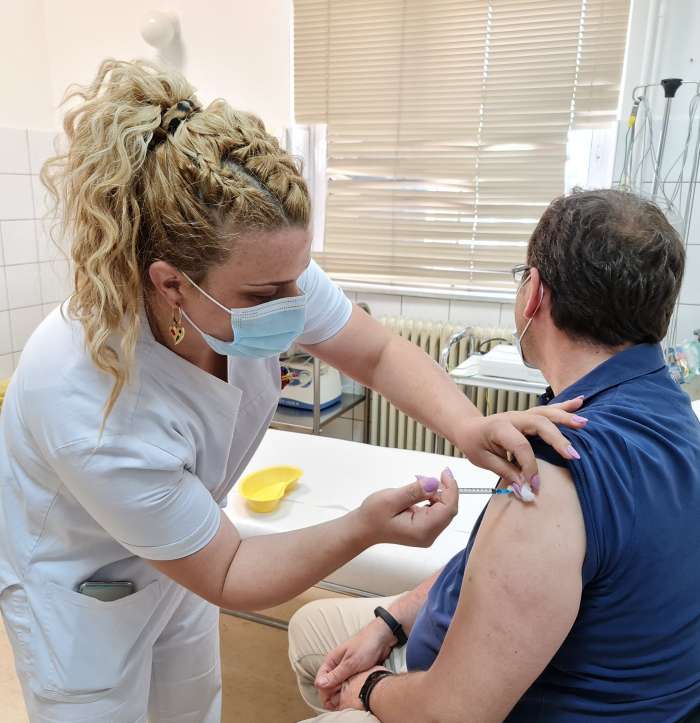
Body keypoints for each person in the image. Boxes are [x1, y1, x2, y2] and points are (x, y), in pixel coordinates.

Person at [0, 59, 583, 723]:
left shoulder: (265, 268)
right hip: (84, 593)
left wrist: (469, 427)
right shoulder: (87, 395)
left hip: (185, 557)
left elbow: (378, 352)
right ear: (170, 284)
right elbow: (229, 569)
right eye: (265, 295)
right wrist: (364, 526)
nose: (292, 304)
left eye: (297, 279)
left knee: (191, 709)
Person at [289, 189, 700, 722]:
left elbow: (451, 714)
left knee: (329, 680)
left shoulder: (556, 472)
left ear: (535, 294)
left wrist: (367, 691)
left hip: (462, 705)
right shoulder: (673, 415)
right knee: (309, 626)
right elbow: (499, 570)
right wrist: (394, 619)